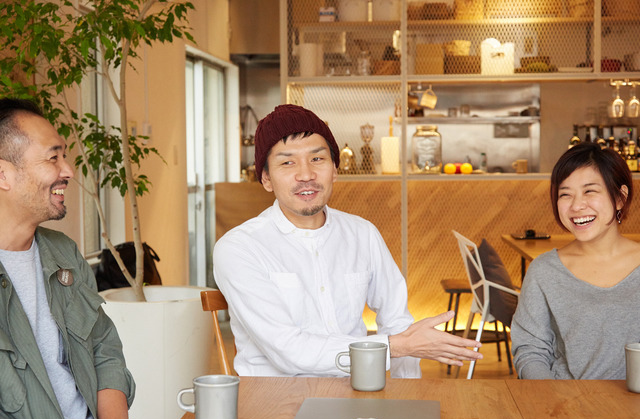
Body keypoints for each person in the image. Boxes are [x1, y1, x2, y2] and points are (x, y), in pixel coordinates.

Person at [213, 104, 482, 377]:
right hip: (276, 406)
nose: (306, 175)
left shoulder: (362, 234)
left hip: (356, 395)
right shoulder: (239, 248)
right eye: (287, 162)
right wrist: (397, 346)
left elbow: (398, 323)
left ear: (335, 170)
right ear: (266, 179)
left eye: (317, 159)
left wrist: (407, 393)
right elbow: (290, 352)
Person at [0, 98, 135, 419]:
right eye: (53, 157)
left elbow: (105, 351)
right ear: (3, 175)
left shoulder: (64, 254)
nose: (68, 171)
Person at [511, 142, 640, 379]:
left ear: (620, 198)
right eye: (565, 194)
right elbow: (531, 350)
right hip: (564, 408)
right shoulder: (545, 271)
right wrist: (553, 402)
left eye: (590, 191)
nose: (577, 206)